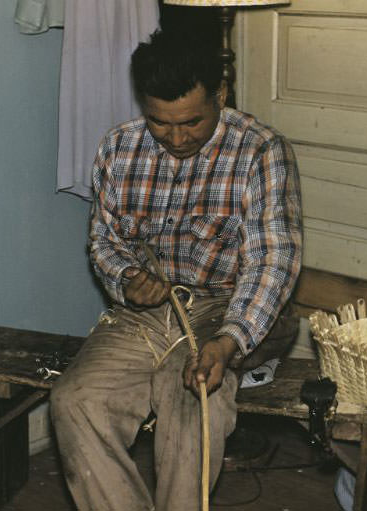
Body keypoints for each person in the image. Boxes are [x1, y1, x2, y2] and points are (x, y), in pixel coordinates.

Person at [50, 29, 302, 511]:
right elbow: (105, 240)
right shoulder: (119, 149)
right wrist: (126, 278)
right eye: (160, 124)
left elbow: (273, 262)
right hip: (147, 316)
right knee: (75, 401)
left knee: (187, 401)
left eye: (191, 122)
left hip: (229, 310)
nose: (177, 138)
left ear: (220, 95)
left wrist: (228, 342)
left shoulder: (261, 151)